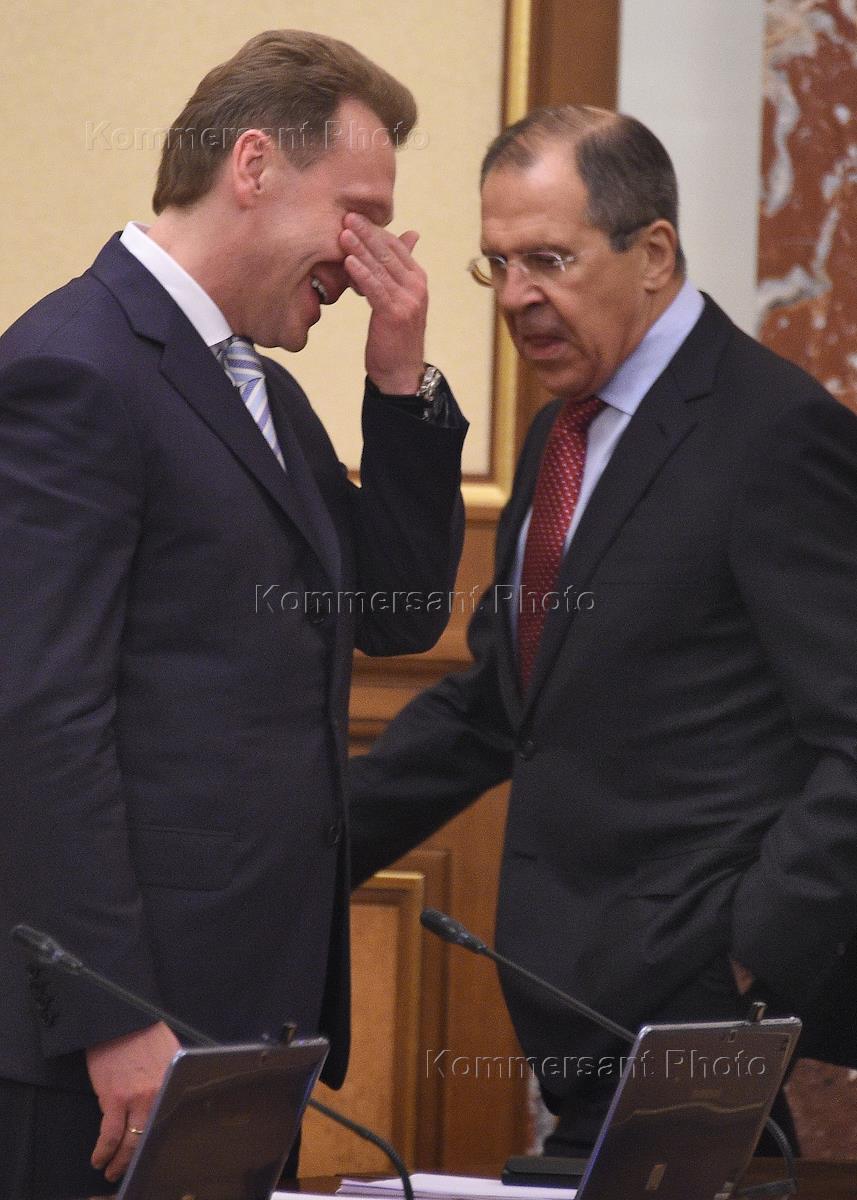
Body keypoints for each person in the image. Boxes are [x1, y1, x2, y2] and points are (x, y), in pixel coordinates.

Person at [0, 30, 466, 1197]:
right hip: (112, 1043)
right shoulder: (74, 367)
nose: (365, 256)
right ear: (252, 166)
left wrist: (400, 378)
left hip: (242, 1020)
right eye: (357, 213)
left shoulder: (260, 390)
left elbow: (399, 610)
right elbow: (40, 716)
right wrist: (108, 1012)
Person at [350, 105, 857, 1157]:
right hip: (570, 1003)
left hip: (698, 1005)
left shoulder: (773, 433)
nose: (517, 297)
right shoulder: (560, 432)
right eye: (497, 266)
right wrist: (307, 842)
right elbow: (502, 702)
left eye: (549, 259)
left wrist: (751, 955)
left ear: (653, 254)